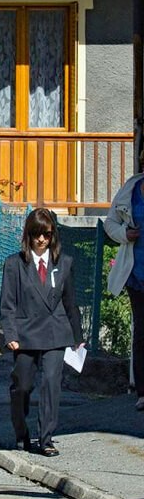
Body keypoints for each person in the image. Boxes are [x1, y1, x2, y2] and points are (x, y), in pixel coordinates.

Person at [1, 208, 83, 457]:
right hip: (25, 335)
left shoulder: (64, 263)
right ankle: (21, 430)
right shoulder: (15, 264)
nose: (41, 240)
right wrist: (10, 334)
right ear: (29, 235)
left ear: (52, 236)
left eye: (46, 235)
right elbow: (8, 303)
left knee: (51, 383)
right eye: (37, 234)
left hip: (56, 332)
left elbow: (70, 302)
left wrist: (77, 337)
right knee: (22, 386)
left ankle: (46, 438)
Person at [104, 171, 144, 412]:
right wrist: (124, 235)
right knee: (141, 332)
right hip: (136, 273)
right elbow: (110, 223)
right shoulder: (131, 189)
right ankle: (142, 392)